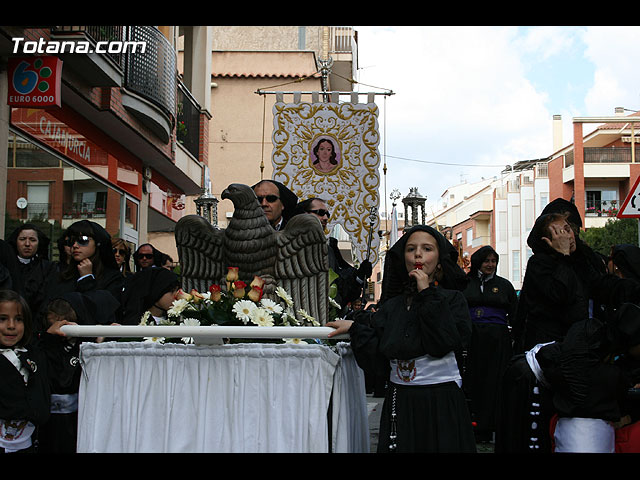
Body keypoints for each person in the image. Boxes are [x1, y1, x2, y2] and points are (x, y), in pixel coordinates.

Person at [327, 225, 475, 453]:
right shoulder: (393, 305)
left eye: (427, 249)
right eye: (411, 249)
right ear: (401, 258)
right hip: (401, 399)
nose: (418, 255)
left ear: (439, 258)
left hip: (441, 400)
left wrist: (426, 292)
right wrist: (355, 327)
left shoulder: (453, 300)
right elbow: (379, 352)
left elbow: (442, 342)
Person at [36, 290, 120, 453]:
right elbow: (57, 378)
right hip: (49, 423)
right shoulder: (43, 345)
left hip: (81, 417)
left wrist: (102, 338)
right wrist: (49, 339)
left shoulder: (86, 343)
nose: (63, 333)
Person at [0, 289, 68, 453]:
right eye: (2, 319)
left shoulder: (33, 353)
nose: (11, 326)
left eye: (18, 319)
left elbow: (46, 347)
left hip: (32, 443)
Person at [462, 245, 517, 443]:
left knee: (495, 382)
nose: (490, 265)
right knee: (473, 380)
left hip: (498, 341)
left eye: (493, 261)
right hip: (472, 340)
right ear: (478, 262)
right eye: (486, 261)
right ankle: (474, 426)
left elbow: (515, 314)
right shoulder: (465, 283)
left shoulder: (504, 285)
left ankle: (492, 425)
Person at [293, 197, 372, 313]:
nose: (325, 218)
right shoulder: (287, 243)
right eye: (320, 213)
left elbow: (340, 291)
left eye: (327, 214)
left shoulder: (329, 250)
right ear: (303, 215)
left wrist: (358, 278)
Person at [42, 220, 124, 327]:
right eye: (72, 241)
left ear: (98, 243)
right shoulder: (60, 273)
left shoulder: (112, 277)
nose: (75, 245)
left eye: (83, 240)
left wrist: (87, 278)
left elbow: (103, 313)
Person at [6, 223, 58, 320]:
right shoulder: (6, 267)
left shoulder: (48, 268)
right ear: (15, 242)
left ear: (39, 243)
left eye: (32, 240)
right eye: (22, 239)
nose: (27, 244)